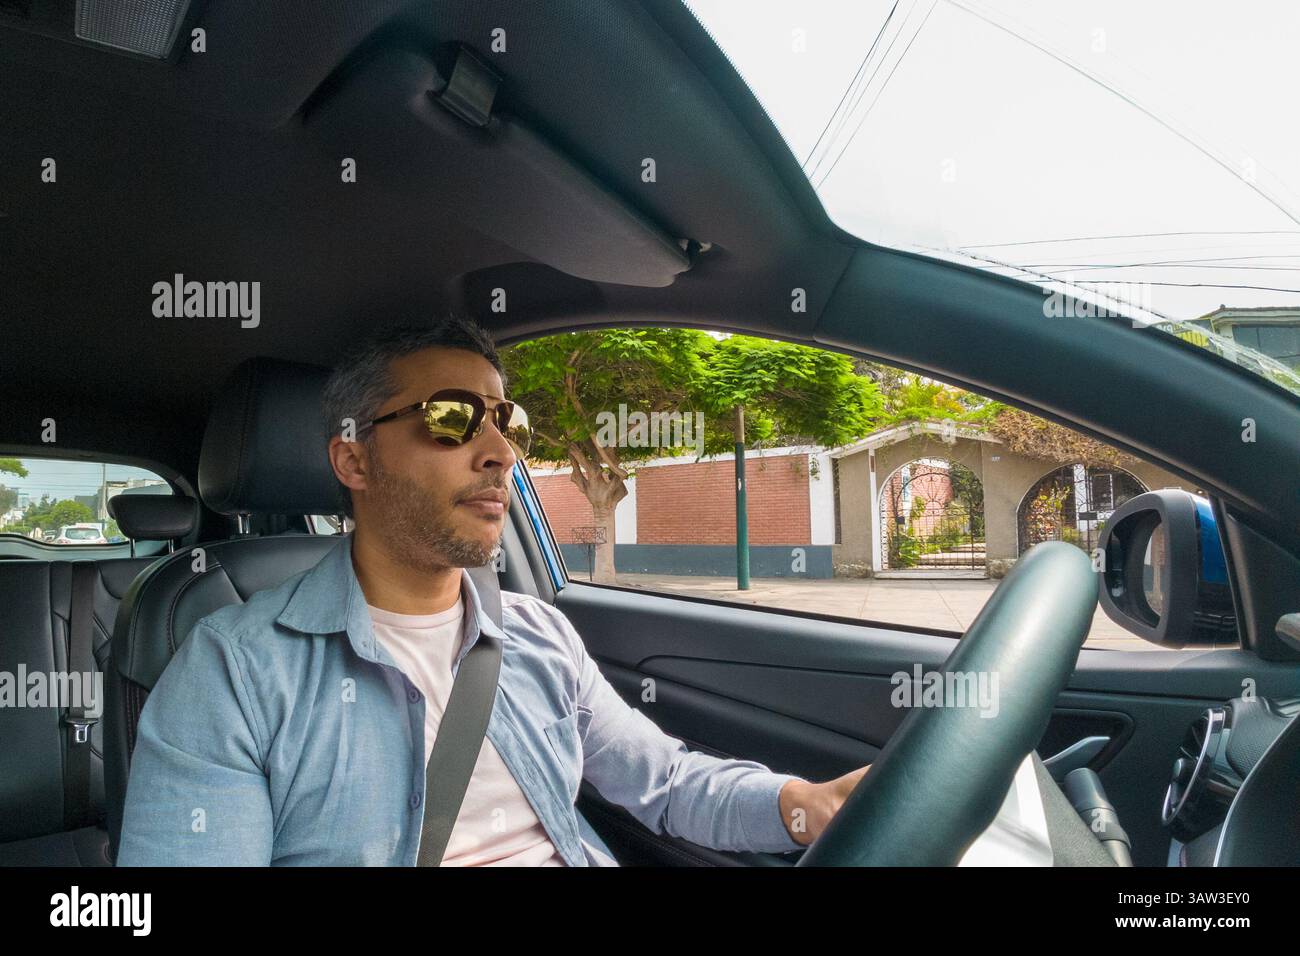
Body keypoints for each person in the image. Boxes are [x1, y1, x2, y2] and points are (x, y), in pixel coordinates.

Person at [117, 316, 867, 865]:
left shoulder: (539, 635)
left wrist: (806, 806)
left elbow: (665, 785)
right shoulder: (231, 672)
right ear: (354, 461)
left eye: (508, 420)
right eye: (452, 420)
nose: (502, 451)